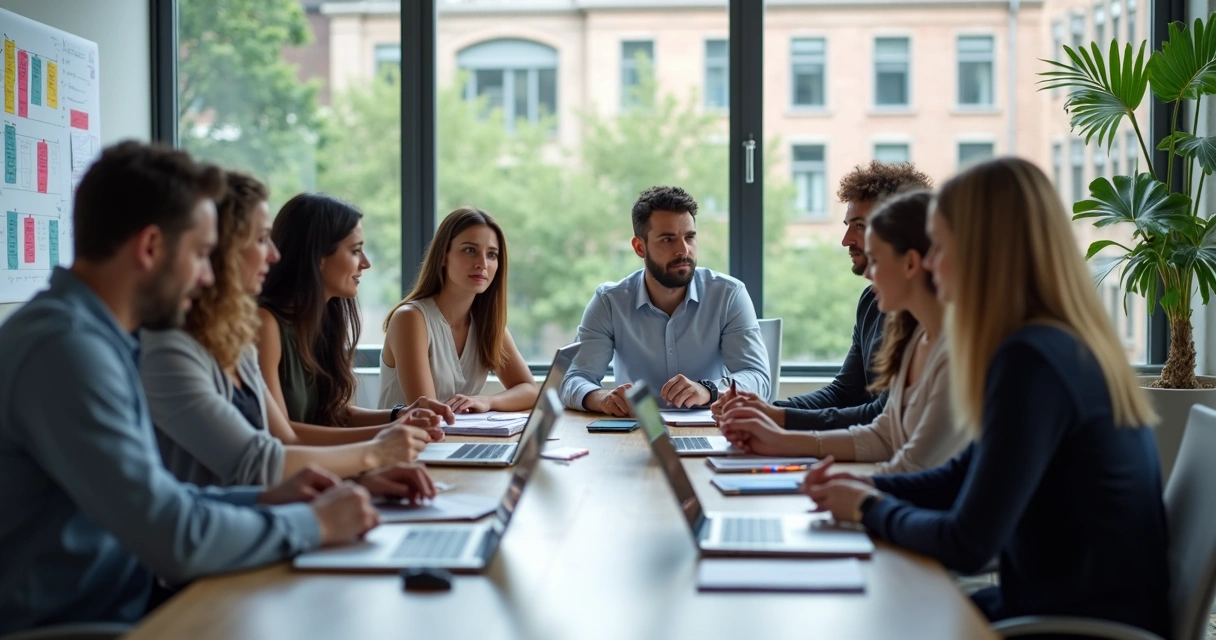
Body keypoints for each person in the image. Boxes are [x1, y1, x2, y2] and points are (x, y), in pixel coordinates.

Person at [0, 142, 382, 634]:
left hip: (123, 604)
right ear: (151, 247)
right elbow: (175, 537)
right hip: (75, 624)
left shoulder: (96, 337)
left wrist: (270, 501)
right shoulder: (66, 350)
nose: (207, 277)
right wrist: (316, 524)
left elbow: (161, 498)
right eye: (202, 254)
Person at [802, 157, 1170, 636]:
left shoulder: (1031, 361)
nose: (929, 262)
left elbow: (968, 542)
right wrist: (869, 490)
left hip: (1069, 625)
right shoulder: (1048, 342)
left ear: (982, 251)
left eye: (941, 245)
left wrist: (868, 507)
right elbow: (964, 473)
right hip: (1055, 603)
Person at [141, 171, 450, 488]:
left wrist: (376, 455)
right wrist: (376, 451)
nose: (273, 255)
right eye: (262, 240)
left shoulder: (234, 338)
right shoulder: (177, 348)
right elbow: (266, 456)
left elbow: (284, 439)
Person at [717, 191, 969, 473]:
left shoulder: (952, 351)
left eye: (860, 227)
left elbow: (909, 460)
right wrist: (774, 424)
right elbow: (878, 426)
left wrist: (780, 423)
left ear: (911, 262)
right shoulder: (908, 334)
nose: (846, 240)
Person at [712, 161, 932, 430]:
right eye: (848, 225)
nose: (845, 240)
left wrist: (777, 418)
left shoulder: (926, 317)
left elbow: (883, 415)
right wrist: (765, 409)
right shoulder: (871, 302)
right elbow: (844, 393)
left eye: (860, 226)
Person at [559, 185, 769, 415]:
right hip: (635, 432)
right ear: (640, 247)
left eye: (690, 237)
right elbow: (572, 380)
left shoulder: (729, 295)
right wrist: (602, 398)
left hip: (709, 430)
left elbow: (758, 378)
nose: (684, 250)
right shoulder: (610, 302)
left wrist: (709, 390)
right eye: (668, 240)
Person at [257, 193, 415, 431]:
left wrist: (401, 416)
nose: (365, 263)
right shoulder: (266, 323)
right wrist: (388, 439)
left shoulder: (323, 319)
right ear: (318, 255)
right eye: (355, 251)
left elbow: (333, 415)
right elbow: (283, 436)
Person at [379, 207, 538, 413]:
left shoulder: (486, 323)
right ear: (443, 256)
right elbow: (429, 413)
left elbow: (530, 390)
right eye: (470, 250)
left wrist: (486, 401)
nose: (482, 263)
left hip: (456, 441)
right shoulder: (410, 319)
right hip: (409, 443)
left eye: (491, 255)